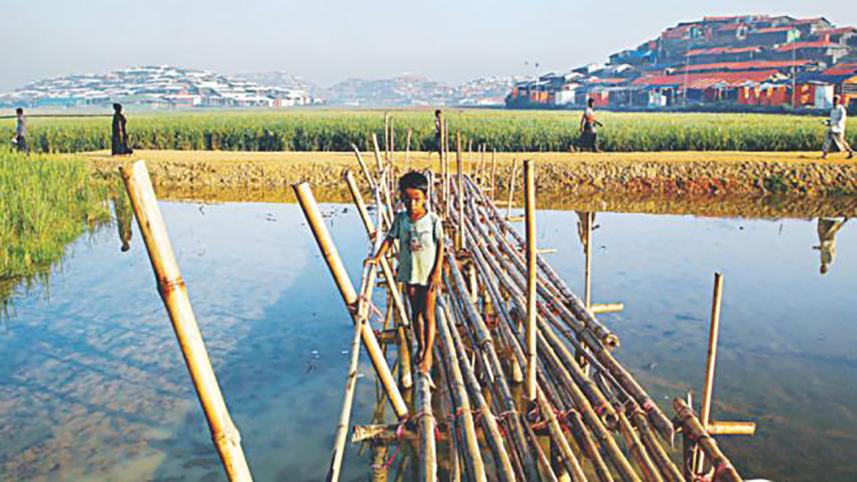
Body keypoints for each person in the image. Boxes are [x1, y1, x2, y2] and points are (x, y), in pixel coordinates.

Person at [366, 171, 444, 378]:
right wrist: (377, 258)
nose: (412, 204)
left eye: (417, 199)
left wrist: (438, 271)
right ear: (401, 198)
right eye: (407, 200)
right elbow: (390, 239)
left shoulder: (433, 220)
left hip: (428, 274)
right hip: (410, 273)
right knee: (415, 313)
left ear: (425, 197)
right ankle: (420, 344)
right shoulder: (401, 220)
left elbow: (441, 245)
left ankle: (427, 353)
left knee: (428, 314)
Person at [822, 95, 853, 160]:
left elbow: (842, 119)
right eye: (833, 100)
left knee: (841, 141)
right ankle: (824, 155)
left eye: (835, 100)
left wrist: (834, 124)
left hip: (839, 128)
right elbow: (832, 119)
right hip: (832, 128)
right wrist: (827, 122)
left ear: (838, 101)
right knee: (827, 140)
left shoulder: (841, 109)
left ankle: (850, 151)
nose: (834, 101)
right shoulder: (832, 110)